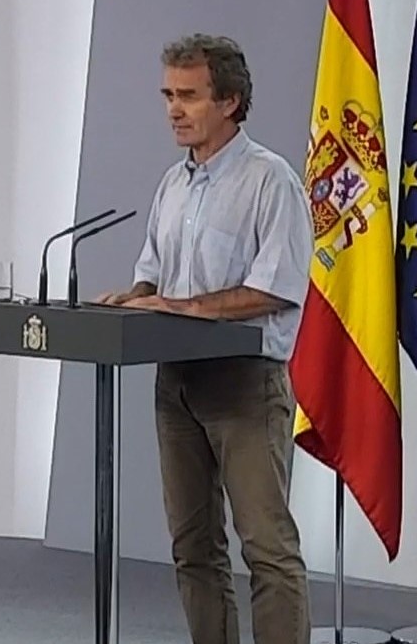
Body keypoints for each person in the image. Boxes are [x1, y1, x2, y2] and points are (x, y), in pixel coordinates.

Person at [96, 34, 313, 644]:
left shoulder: (270, 181)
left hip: (244, 385)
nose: (174, 109)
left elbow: (276, 288)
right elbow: (154, 276)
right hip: (177, 384)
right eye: (168, 95)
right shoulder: (173, 184)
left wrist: (179, 306)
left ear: (230, 101)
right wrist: (131, 298)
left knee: (266, 548)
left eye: (188, 96)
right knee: (192, 545)